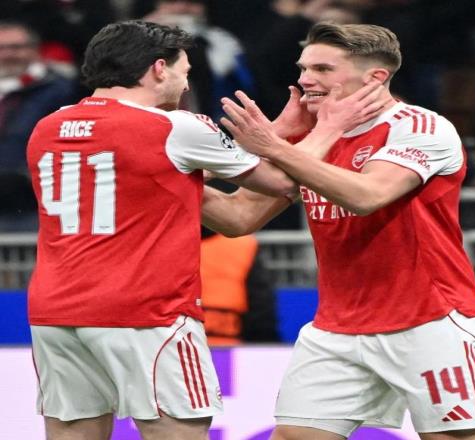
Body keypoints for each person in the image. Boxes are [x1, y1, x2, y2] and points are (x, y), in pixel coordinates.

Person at [202, 22, 475, 440]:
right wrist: (171, 176)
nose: (306, 80)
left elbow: (367, 194)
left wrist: (274, 146)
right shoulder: (312, 139)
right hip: (336, 328)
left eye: (323, 69)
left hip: (430, 321)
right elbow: (237, 218)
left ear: (375, 77)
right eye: (304, 68)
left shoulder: (420, 127)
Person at [25, 19, 304, 440]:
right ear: (159, 68)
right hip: (147, 311)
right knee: (177, 432)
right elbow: (282, 183)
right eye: (184, 71)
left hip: (55, 312)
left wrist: (268, 139)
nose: (186, 84)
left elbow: (156, 175)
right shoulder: (175, 127)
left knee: (72, 433)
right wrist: (310, 133)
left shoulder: (48, 127)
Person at [0, 20, 78, 231]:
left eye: (16, 47)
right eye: (1, 48)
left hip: (32, 202)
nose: (7, 54)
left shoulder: (62, 90)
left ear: (35, 50)